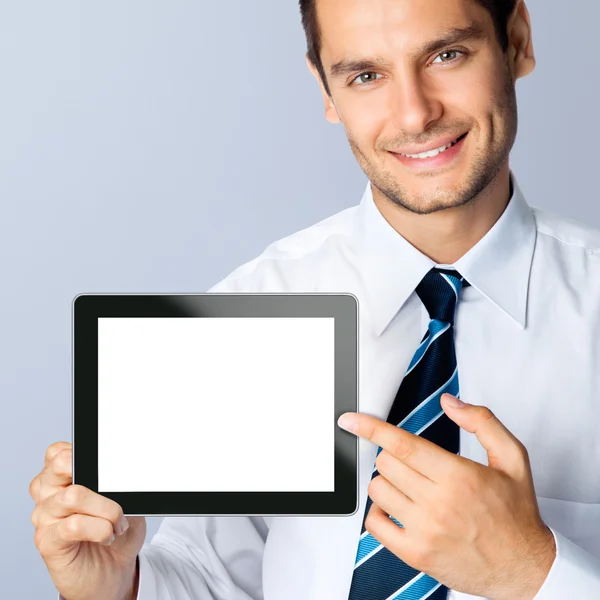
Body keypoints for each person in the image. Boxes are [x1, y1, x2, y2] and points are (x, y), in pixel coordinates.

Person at [29, 0, 600, 598]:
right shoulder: (252, 310)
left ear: (517, 42)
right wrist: (119, 585)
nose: (415, 113)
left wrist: (532, 570)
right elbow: (214, 576)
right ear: (326, 89)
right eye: (365, 75)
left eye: (447, 54)